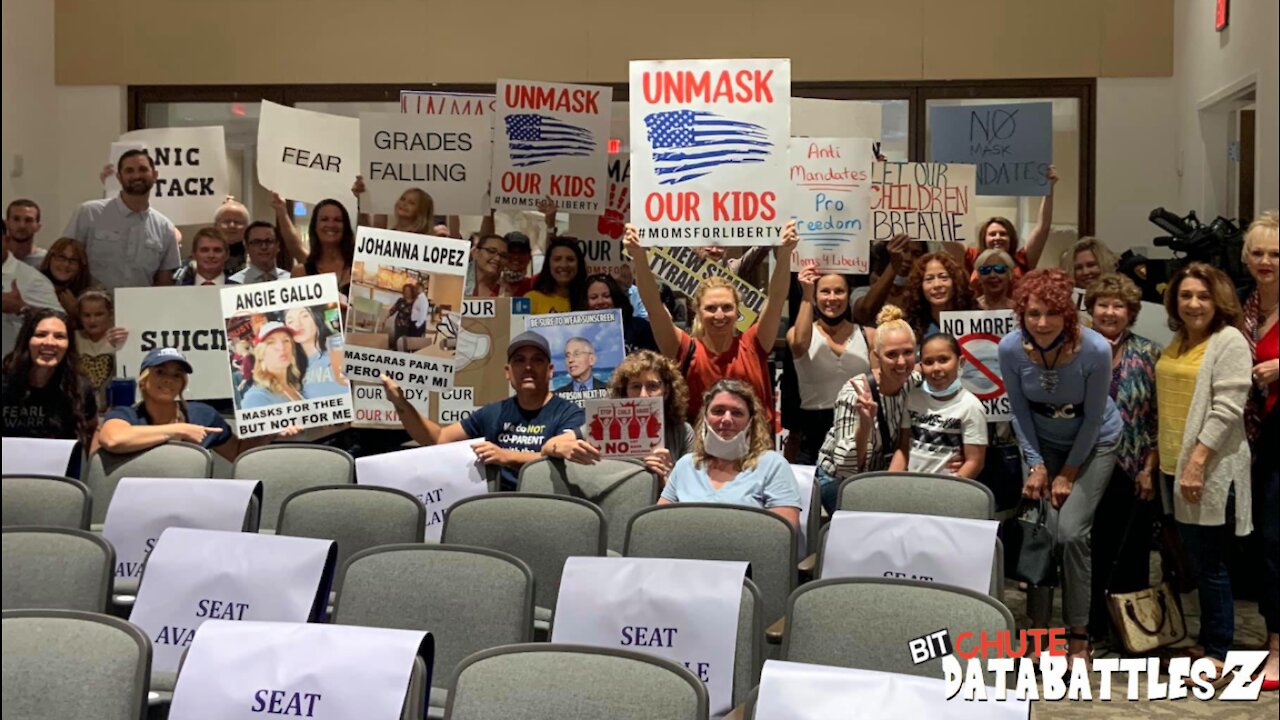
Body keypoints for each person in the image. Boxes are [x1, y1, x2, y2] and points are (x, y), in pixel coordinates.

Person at [999, 268, 1122, 665]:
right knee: (1041, 533)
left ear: (1068, 314)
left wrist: (1068, 473)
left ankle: (1078, 634)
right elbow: (1018, 411)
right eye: (1034, 313)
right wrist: (1036, 465)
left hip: (1093, 440)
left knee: (1070, 535)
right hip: (1041, 440)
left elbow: (1091, 418)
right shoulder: (1010, 349)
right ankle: (1038, 631)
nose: (1042, 322)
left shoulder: (1095, 349)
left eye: (1052, 313)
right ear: (1022, 313)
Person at [1154, 262, 1252, 683]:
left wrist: (1196, 464)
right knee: (1191, 560)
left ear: (1220, 300)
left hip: (1207, 470)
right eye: (1186, 295)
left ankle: (1218, 652)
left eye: (1203, 296)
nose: (1194, 304)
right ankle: (1208, 637)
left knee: (1211, 563)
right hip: (1173, 467)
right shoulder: (1178, 340)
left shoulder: (1228, 341)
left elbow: (1227, 410)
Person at [628, 222, 799, 428]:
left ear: (738, 311)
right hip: (700, 454)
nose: (720, 315)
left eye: (727, 307)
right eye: (711, 308)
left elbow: (776, 300)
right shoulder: (683, 348)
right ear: (698, 311)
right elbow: (654, 307)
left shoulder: (754, 344)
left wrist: (785, 254)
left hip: (753, 451)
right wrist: (638, 256)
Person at [381, 332, 585, 490]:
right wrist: (401, 403)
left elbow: (567, 461)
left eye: (537, 360)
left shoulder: (570, 413)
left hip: (547, 504)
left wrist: (506, 456)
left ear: (550, 371)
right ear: (508, 372)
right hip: (496, 508)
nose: (528, 367)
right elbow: (438, 438)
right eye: (519, 360)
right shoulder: (494, 412)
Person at [1082, 274, 1161, 642]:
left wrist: (1149, 468)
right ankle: (1094, 628)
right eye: (1103, 304)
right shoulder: (1074, 349)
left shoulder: (1148, 352)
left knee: (1131, 551)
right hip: (1085, 467)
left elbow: (1158, 416)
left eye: (1118, 306)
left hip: (1133, 469)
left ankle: (1132, 632)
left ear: (1130, 312)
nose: (1110, 312)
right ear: (1091, 308)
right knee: (1090, 552)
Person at [96, 347, 299, 461]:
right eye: (160, 372)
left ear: (182, 383)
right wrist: (180, 430)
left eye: (176, 375)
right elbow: (113, 439)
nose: (168, 379)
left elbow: (237, 452)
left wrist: (271, 431)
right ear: (144, 380)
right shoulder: (127, 415)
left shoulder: (202, 415)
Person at [816, 305, 918, 512]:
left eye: (908, 352)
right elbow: (846, 467)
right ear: (877, 356)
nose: (901, 362)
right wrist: (864, 426)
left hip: (885, 475)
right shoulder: (855, 392)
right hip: (840, 477)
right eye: (891, 355)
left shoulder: (915, 382)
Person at [659, 379, 802, 528]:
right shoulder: (685, 465)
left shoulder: (773, 465)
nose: (726, 419)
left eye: (737, 413)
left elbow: (784, 533)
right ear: (705, 417)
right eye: (718, 411)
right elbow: (658, 526)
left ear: (751, 421)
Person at [544, 349, 693, 483]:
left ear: (666, 391)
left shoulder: (682, 431)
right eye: (635, 386)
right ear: (624, 391)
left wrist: (665, 479)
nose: (643, 395)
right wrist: (564, 448)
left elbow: (691, 495)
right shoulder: (603, 423)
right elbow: (548, 446)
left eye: (652, 386)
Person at [1239, 211, 1279, 689]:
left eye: (1275, 254)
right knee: (1268, 545)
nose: (1266, 261)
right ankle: (1273, 641)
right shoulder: (1245, 305)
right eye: (1258, 252)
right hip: (1258, 437)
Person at [787, 268, 875, 465]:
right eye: (825, 291)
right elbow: (800, 344)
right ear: (816, 295)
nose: (832, 298)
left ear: (849, 294)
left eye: (839, 291)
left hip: (858, 430)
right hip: (812, 435)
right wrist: (806, 295)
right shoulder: (797, 333)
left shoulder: (869, 335)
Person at [63, 149, 180, 291]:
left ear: (155, 175)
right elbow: (64, 264)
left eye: (143, 169)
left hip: (140, 310)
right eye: (129, 171)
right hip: (91, 311)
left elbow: (164, 285)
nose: (137, 175)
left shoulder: (165, 228)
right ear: (119, 177)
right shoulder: (88, 213)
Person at [890, 332, 987, 478]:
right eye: (928, 362)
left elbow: (974, 462)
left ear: (960, 362)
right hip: (911, 487)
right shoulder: (913, 397)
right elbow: (904, 448)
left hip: (948, 491)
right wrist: (889, 482)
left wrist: (949, 493)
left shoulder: (971, 407)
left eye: (943, 360)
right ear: (921, 366)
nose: (936, 368)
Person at [1, 308, 97, 449]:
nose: (50, 342)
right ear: (27, 340)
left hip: (60, 470)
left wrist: (89, 468)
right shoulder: (4, 382)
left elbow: (93, 430)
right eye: (41, 335)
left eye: (59, 336)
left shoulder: (80, 387)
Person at [956, 165, 1058, 280]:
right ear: (983, 238)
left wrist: (1049, 189)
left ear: (1011, 239)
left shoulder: (1022, 259)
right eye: (992, 234)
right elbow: (945, 237)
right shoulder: (973, 257)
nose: (998, 237)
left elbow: (1043, 228)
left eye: (1003, 234)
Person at [3, 226, 61, 357]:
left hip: (10, 369)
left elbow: (61, 322)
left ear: (6, 240)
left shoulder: (32, 279)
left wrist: (21, 308)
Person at [276, 197, 355, 293]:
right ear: (315, 227)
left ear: (345, 227)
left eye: (338, 220)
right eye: (324, 219)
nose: (331, 224)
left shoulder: (359, 268)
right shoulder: (301, 272)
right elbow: (295, 246)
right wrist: (281, 211)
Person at [852, 234, 922, 326]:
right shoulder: (862, 292)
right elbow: (865, 313)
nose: (908, 258)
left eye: (916, 254)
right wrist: (894, 265)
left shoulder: (923, 296)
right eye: (902, 251)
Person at [902, 251, 975, 340]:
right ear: (919, 285)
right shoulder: (910, 327)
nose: (937, 285)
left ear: (956, 282)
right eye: (929, 279)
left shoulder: (975, 320)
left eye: (943, 277)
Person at [74, 290, 128, 406]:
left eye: (99, 314)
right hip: (80, 409)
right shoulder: (73, 339)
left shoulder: (120, 338)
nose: (92, 320)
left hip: (113, 408)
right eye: (86, 315)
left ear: (110, 313)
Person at [283, 306, 347, 399]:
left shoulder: (339, 347)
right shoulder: (292, 370)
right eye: (290, 321)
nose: (297, 324)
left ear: (317, 318)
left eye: (304, 316)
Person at [584, 273, 658, 354]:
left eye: (606, 296)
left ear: (616, 298)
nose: (600, 301)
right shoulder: (579, 331)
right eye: (594, 297)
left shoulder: (640, 326)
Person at [241, 322, 306, 408]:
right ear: (261, 353)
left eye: (286, 340)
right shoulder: (257, 397)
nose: (281, 347)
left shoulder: (293, 386)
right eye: (271, 342)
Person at [524, 236, 588, 314]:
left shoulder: (589, 299)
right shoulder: (531, 299)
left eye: (570, 259)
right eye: (557, 259)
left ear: (579, 264)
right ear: (548, 264)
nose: (564, 265)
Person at [351, 180, 435, 235]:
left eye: (411, 203)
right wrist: (362, 199)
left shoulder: (426, 239)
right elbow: (365, 235)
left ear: (421, 210)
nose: (404, 204)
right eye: (402, 199)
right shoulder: (390, 233)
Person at [37, 237, 94, 315]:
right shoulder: (34, 284)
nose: (66, 264)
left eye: (73, 260)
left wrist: (76, 311)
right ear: (50, 259)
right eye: (61, 258)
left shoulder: (92, 293)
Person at [175, 227, 240, 286]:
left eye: (217, 250)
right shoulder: (178, 289)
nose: (211, 255)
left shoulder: (238, 289)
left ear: (227, 255)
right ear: (193, 254)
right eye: (204, 250)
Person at [213, 199, 250, 275]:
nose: (232, 226)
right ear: (215, 226)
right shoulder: (200, 259)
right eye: (226, 222)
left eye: (238, 222)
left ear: (247, 227)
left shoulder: (257, 257)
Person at [5, 199, 46, 268]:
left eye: (28, 220)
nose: (22, 225)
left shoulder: (45, 261)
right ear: (7, 223)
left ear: (38, 227)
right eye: (16, 219)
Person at [503, 232, 536, 297]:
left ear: (530, 257)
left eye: (521, 252)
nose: (516, 256)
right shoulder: (490, 285)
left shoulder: (535, 285)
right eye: (511, 252)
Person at [387, 284, 418, 350]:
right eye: (405, 290)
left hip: (409, 326)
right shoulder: (400, 300)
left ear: (412, 292)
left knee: (406, 343)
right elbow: (393, 310)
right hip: (399, 324)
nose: (407, 292)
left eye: (408, 290)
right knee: (398, 341)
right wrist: (386, 317)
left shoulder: (416, 302)